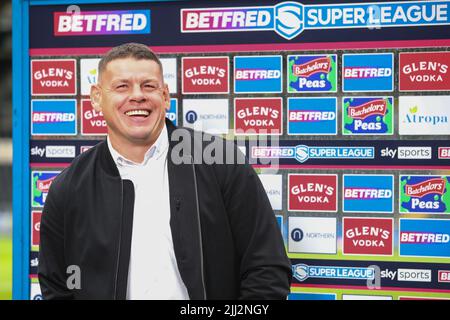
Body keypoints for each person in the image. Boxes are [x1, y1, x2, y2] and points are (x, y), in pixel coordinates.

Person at [38, 43, 292, 300]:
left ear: (166, 96)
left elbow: (267, 267)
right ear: (96, 97)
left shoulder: (221, 163)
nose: (137, 96)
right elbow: (56, 285)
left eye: (149, 86)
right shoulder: (70, 187)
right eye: (121, 86)